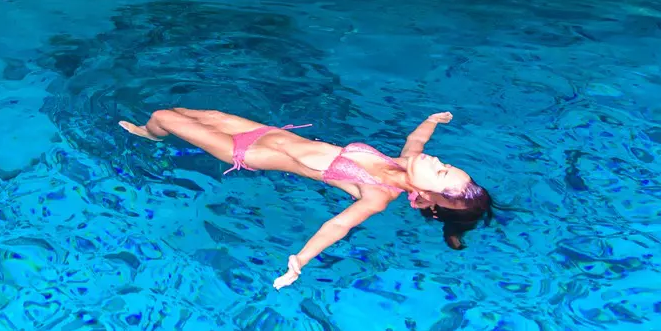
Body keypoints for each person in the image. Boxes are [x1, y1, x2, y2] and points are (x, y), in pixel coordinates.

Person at [118, 107, 492, 286]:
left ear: (428, 196)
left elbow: (338, 225)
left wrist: (299, 260)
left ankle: (150, 135)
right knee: (191, 111)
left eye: (441, 171)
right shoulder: (406, 162)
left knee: (163, 117)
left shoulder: (378, 194)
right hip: (265, 132)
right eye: (446, 163)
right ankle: (154, 130)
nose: (437, 160)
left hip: (246, 153)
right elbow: (417, 141)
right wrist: (432, 119)